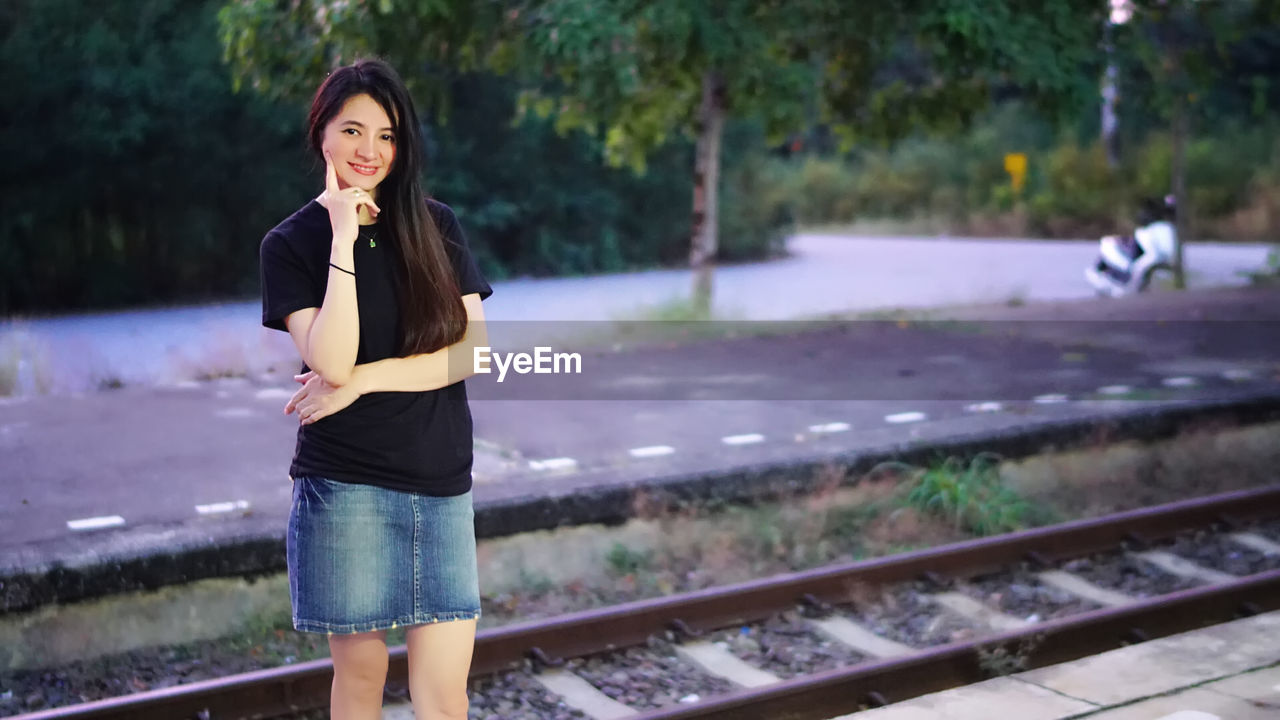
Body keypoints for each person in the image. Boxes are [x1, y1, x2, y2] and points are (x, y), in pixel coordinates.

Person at [259, 58, 491, 720]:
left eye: (386, 135)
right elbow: (330, 358)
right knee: (360, 684)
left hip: (441, 483)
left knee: (444, 696)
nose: (370, 150)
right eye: (353, 130)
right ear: (321, 135)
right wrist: (342, 232)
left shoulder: (434, 225)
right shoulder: (292, 244)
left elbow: (471, 351)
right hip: (346, 488)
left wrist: (364, 381)